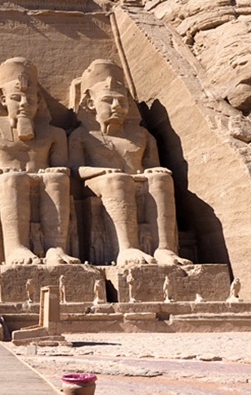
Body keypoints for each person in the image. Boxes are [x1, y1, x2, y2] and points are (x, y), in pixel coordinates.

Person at [69, 59, 191, 267]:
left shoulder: (142, 135)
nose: (117, 107)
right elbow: (74, 168)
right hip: (98, 185)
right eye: (108, 101)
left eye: (122, 101)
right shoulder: (82, 135)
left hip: (135, 180)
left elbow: (152, 165)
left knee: (161, 179)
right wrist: (100, 172)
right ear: (91, 104)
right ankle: (126, 248)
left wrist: (153, 171)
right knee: (117, 180)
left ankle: (164, 249)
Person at [0, 57, 79, 266]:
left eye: (30, 99)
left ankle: (56, 248)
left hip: (41, 177)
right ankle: (15, 248)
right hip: (3, 181)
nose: (24, 104)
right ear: (2, 100)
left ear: (38, 101)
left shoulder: (55, 133)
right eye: (16, 98)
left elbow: (62, 167)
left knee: (57, 179)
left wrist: (54, 171)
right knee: (15, 179)